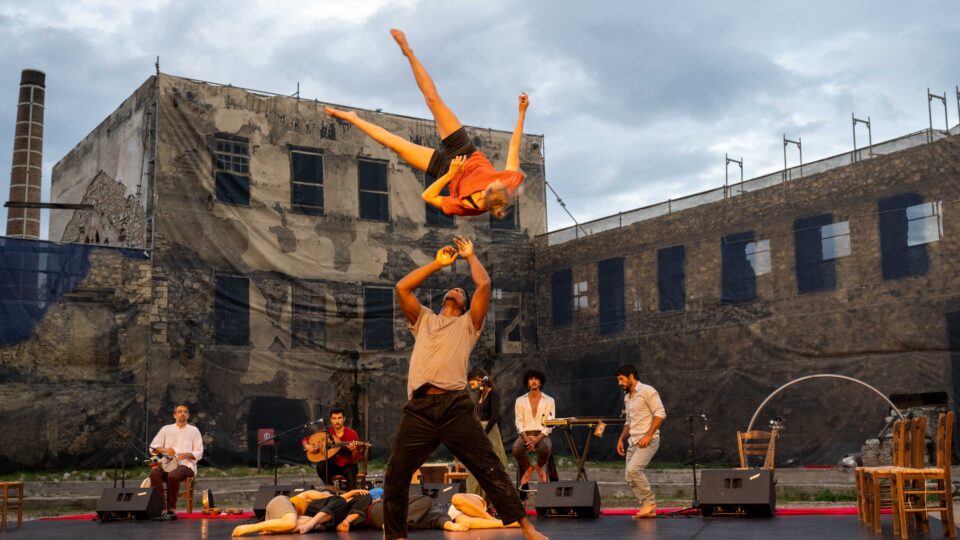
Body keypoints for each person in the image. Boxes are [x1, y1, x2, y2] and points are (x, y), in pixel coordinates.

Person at [384, 235, 546, 540]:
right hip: (419, 409)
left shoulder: (468, 324)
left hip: (454, 407)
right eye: (453, 288)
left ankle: (525, 526)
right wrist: (438, 263)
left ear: (464, 306)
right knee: (396, 472)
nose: (456, 290)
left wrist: (471, 256)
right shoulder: (423, 319)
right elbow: (402, 288)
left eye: (461, 291)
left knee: (489, 465)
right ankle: (395, 536)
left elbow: (483, 286)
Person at [324, 28, 529, 219]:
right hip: (465, 152)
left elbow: (428, 196)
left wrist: (451, 173)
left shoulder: (465, 206)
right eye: (496, 182)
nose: (494, 180)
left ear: (485, 196)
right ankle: (409, 53)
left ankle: (353, 118)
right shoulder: (508, 182)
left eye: (490, 185)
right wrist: (521, 113)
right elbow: (514, 147)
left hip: (446, 171)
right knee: (432, 99)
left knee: (394, 145)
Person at [615, 364, 667, 519]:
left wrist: (648, 435)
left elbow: (660, 414)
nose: (619, 383)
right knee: (628, 477)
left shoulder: (647, 391)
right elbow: (629, 421)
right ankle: (648, 508)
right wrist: (621, 439)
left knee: (634, 470)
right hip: (633, 441)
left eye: (621, 379)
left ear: (631, 376)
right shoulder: (627, 397)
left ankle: (649, 502)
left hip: (648, 440)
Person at [336, 491, 520, 532]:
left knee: (457, 499)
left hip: (456, 506)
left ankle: (493, 517)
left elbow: (459, 501)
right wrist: (449, 525)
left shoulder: (475, 499)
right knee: (464, 523)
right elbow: (436, 517)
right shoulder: (424, 511)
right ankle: (506, 523)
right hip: (444, 512)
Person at [230, 488, 368, 536]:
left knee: (302, 522)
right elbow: (336, 499)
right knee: (292, 523)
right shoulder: (315, 495)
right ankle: (249, 528)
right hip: (282, 503)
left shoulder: (328, 514)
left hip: (282, 518)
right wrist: (350, 492)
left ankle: (272, 528)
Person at [149, 403, 203, 520]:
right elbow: (152, 447)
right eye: (179, 411)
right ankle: (161, 508)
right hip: (167, 463)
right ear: (174, 415)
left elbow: (199, 451)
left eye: (185, 411)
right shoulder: (165, 429)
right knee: (154, 474)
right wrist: (165, 449)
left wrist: (188, 454)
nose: (182, 413)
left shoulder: (194, 430)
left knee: (173, 475)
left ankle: (171, 509)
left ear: (188, 415)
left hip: (186, 465)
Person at [466, 368, 508, 499]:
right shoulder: (479, 395)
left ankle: (495, 497)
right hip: (479, 430)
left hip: (489, 430)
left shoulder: (493, 393)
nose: (472, 387)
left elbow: (494, 416)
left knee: (492, 460)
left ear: (480, 379)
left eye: (473, 384)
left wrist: (484, 433)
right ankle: (476, 496)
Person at [301, 407, 363, 489]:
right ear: (331, 420)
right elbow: (305, 439)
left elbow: (356, 458)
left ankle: (351, 495)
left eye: (339, 418)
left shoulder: (352, 434)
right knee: (321, 465)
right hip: (333, 465)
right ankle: (330, 487)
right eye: (334, 418)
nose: (337, 421)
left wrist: (354, 450)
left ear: (344, 419)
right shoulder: (327, 432)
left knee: (350, 472)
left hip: (348, 464)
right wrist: (307, 446)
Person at [513, 369, 556, 485]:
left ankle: (538, 467)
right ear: (527, 383)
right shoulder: (520, 400)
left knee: (546, 448)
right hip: (525, 434)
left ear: (540, 382)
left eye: (536, 379)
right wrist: (527, 439)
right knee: (516, 448)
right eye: (531, 379)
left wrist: (537, 439)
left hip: (541, 434)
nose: (533, 381)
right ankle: (528, 468)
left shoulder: (549, 400)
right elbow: (518, 422)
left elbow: (550, 423)